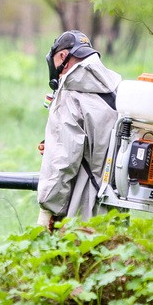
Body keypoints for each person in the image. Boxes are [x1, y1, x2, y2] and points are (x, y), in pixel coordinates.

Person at [37, 30, 122, 228]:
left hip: (81, 211)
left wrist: (47, 208)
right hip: (115, 208)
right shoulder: (116, 91)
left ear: (62, 56)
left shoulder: (69, 96)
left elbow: (64, 161)